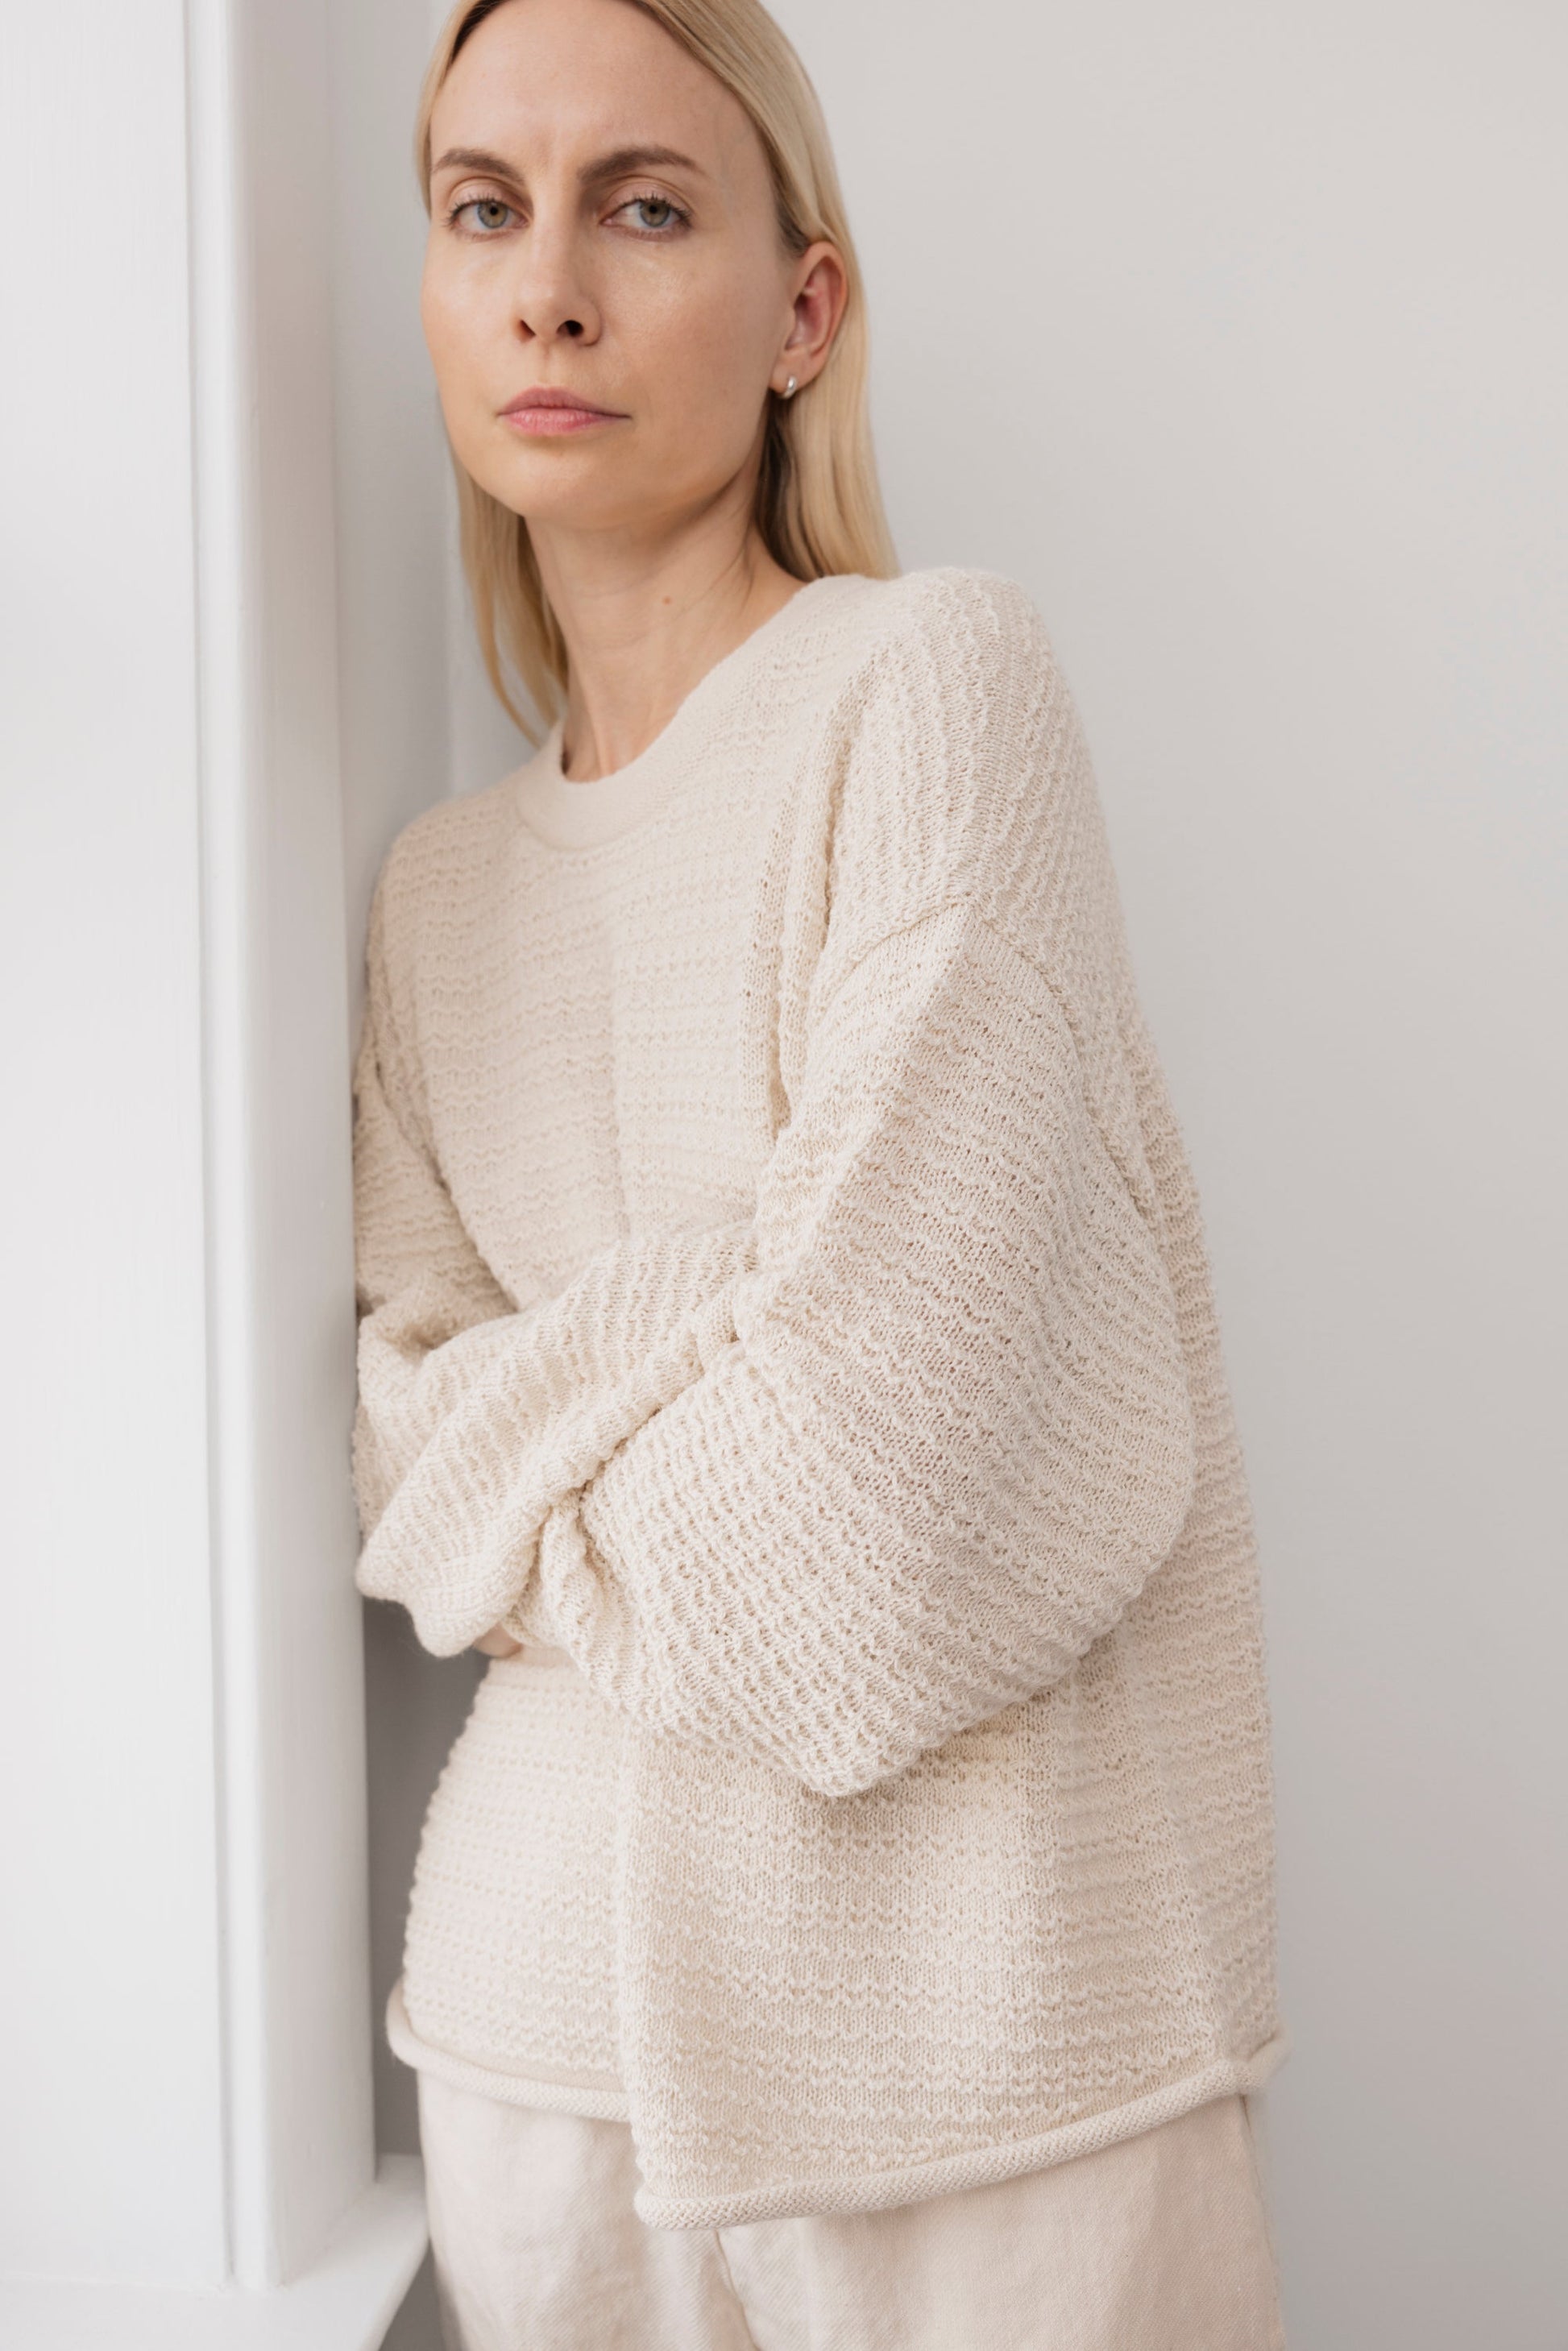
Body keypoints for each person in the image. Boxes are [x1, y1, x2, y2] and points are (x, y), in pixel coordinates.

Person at [350, 0, 1290, 2342]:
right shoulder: (429, 896)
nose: (545, 284)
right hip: (534, 2057)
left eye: (641, 206)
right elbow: (396, 1456)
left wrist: (561, 1421)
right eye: (484, 209)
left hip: (988, 2075)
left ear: (801, 309)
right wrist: (718, 1309)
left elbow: (874, 1527)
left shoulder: (931, 690)